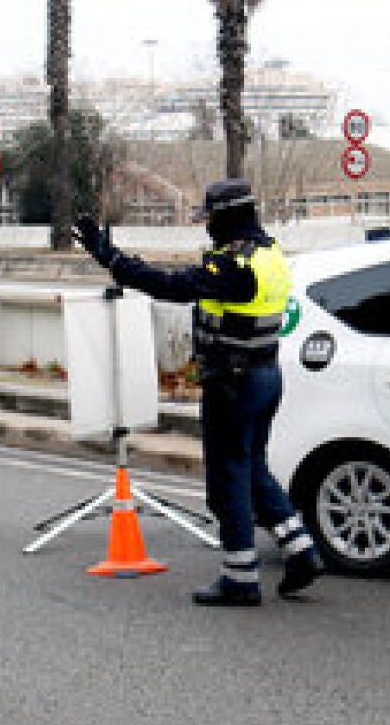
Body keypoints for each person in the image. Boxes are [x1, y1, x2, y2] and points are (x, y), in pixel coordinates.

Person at [73, 179, 326, 607]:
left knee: (228, 478)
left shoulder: (234, 265)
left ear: (226, 216)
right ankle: (300, 550)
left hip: (233, 383)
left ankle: (240, 578)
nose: (206, 226)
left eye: (209, 218)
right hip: (265, 376)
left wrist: (111, 258)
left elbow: (169, 285)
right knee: (252, 467)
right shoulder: (270, 254)